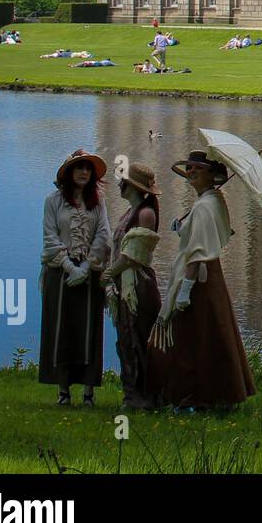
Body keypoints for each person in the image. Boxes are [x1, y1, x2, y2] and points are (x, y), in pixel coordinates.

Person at [148, 151, 256, 409]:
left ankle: (194, 398)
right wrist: (183, 228)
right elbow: (207, 236)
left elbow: (198, 252)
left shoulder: (206, 204)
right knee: (213, 333)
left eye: (198, 168)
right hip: (210, 276)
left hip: (199, 278)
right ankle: (219, 394)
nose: (192, 172)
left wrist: (185, 289)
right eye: (190, 168)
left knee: (191, 337)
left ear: (211, 174)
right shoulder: (211, 200)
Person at [40, 149, 111, 406]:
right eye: (79, 167)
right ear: (69, 172)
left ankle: (89, 393)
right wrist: (70, 267)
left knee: (89, 330)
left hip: (90, 273)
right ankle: (63, 392)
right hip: (60, 272)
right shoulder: (53, 201)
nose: (84, 172)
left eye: (87, 168)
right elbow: (50, 236)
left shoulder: (98, 202)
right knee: (62, 330)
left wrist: (88, 266)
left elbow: (104, 235)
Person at [101, 161, 162, 409]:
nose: (119, 186)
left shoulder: (145, 214)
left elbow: (132, 256)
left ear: (133, 187)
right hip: (125, 285)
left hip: (137, 286)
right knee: (126, 339)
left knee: (138, 338)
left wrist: (107, 274)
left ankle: (144, 397)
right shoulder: (131, 212)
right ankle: (132, 395)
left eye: (123, 182)